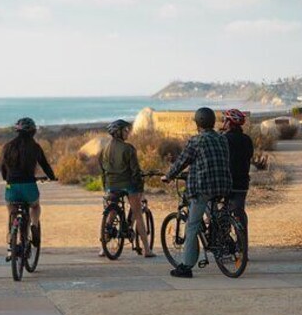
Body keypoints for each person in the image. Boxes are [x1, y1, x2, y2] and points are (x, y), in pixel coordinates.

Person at [162, 107, 232, 278]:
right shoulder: (222, 139)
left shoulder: (197, 141)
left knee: (192, 225)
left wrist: (168, 176)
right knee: (213, 214)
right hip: (223, 185)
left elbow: (182, 161)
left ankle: (185, 267)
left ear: (198, 123)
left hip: (203, 187)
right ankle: (220, 241)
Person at [1, 117, 56, 260]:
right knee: (35, 206)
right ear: (33, 131)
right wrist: (51, 176)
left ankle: (10, 247)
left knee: (11, 213)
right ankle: (34, 225)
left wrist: (7, 178)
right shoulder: (35, 147)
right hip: (29, 186)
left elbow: (3, 169)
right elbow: (44, 165)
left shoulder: (8, 147)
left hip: (11, 186)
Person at [99, 119, 155, 258]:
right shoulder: (128, 148)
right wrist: (140, 189)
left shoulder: (104, 149)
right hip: (128, 184)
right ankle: (147, 250)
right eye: (125, 130)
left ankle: (103, 248)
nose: (127, 132)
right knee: (138, 215)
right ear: (118, 132)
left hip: (111, 185)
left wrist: (105, 186)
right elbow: (135, 171)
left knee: (111, 213)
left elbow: (102, 170)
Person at [221, 108, 254, 233]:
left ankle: (222, 236)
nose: (223, 123)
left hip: (226, 182)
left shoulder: (224, 139)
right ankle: (241, 244)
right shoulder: (247, 139)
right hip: (242, 183)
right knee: (239, 212)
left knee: (217, 208)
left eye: (225, 120)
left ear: (229, 123)